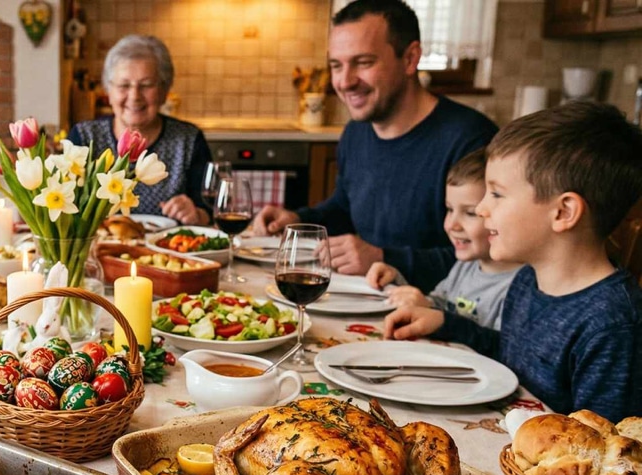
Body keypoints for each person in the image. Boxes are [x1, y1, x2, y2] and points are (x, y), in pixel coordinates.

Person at [385, 102, 642, 420]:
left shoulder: (612, 326)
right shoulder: (527, 280)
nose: (482, 209)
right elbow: (511, 361)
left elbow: (609, 450)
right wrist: (446, 322)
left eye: (496, 194)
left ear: (563, 213)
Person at [252, 0, 498, 291]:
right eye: (336, 65)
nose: (344, 82)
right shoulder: (356, 132)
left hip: (437, 315)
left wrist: (384, 259)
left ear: (410, 59)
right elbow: (344, 207)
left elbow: (489, 258)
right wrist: (297, 220)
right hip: (368, 299)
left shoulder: (471, 139)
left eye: (364, 62)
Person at [366, 148, 520, 329]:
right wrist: (396, 283)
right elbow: (437, 304)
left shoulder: (517, 288)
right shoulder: (466, 266)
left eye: (470, 213)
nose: (452, 225)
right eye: (449, 209)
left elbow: (495, 347)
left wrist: (432, 311)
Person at [68, 35, 211, 226]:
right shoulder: (84, 137)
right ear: (108, 91)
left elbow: (210, 210)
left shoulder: (189, 140)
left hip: (168, 252)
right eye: (124, 85)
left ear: (164, 90)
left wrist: (196, 214)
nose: (134, 96)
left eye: (146, 85)